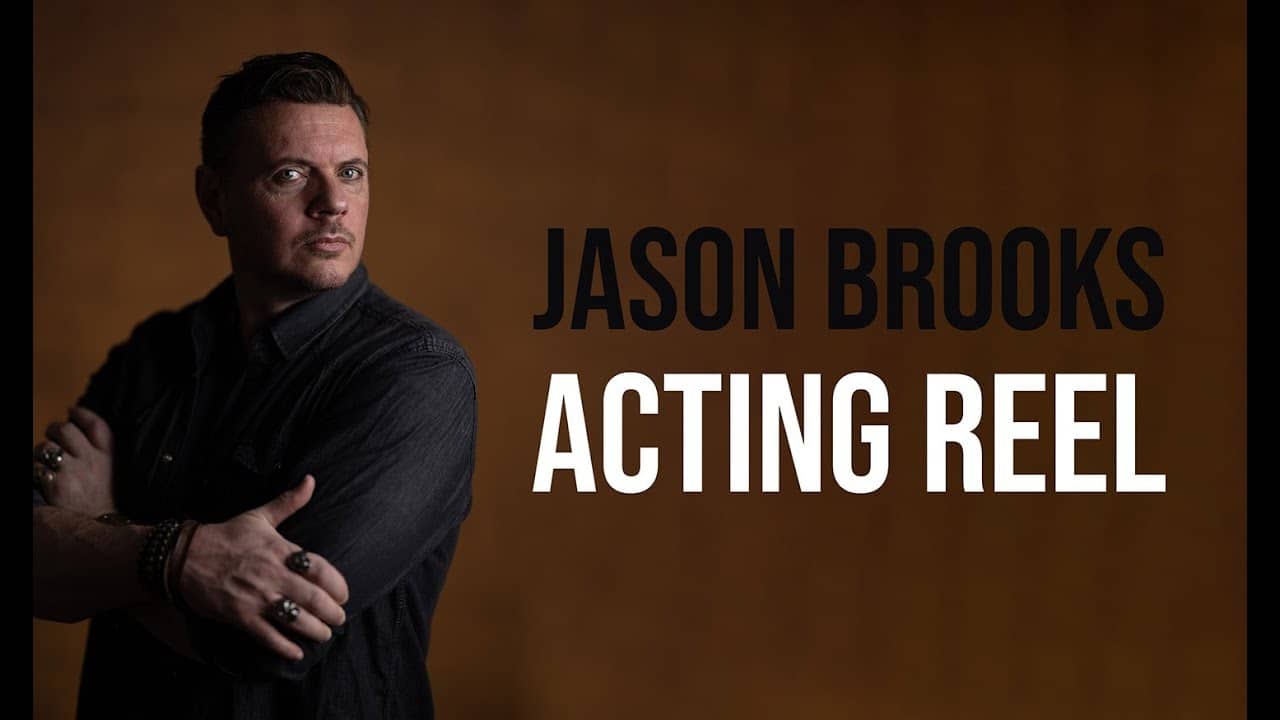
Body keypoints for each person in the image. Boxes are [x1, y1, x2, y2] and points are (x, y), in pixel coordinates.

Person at [32, 51, 477, 719]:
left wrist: (102, 531)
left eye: (351, 173)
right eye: (291, 174)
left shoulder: (416, 374)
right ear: (215, 199)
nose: (333, 204)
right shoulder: (152, 354)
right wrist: (182, 562)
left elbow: (267, 640)